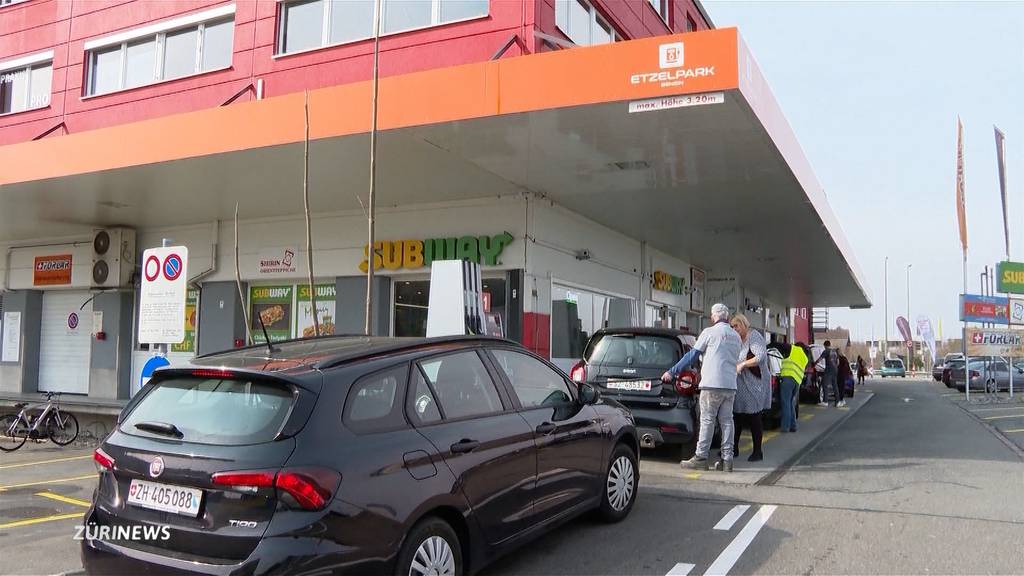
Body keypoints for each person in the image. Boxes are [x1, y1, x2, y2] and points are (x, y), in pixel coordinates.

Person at [661, 303, 742, 472]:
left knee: (707, 420)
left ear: (714, 316)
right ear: (726, 317)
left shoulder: (709, 332)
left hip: (712, 384)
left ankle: (701, 457)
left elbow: (692, 355)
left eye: (712, 316)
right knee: (727, 421)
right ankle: (727, 461)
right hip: (730, 385)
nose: (711, 318)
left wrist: (672, 371)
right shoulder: (736, 336)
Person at [729, 314, 771, 462]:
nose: (734, 329)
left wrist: (743, 364)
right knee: (737, 416)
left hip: (754, 383)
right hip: (739, 384)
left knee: (754, 417)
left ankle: (758, 452)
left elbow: (760, 357)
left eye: (736, 326)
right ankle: (733, 449)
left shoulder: (754, 336)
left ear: (743, 324)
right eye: (732, 327)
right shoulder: (735, 340)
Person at [774, 341, 809, 432]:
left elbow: (779, 344)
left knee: (785, 403)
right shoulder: (805, 357)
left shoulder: (793, 349)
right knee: (790, 403)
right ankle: (793, 426)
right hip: (797, 382)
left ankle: (785, 427)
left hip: (787, 379)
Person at [817, 340, 840, 407]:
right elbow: (838, 362)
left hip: (829, 369)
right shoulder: (835, 351)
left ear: (825, 345)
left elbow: (820, 359)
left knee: (824, 384)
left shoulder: (826, 351)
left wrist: (814, 363)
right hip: (835, 369)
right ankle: (837, 402)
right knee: (835, 385)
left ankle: (825, 401)